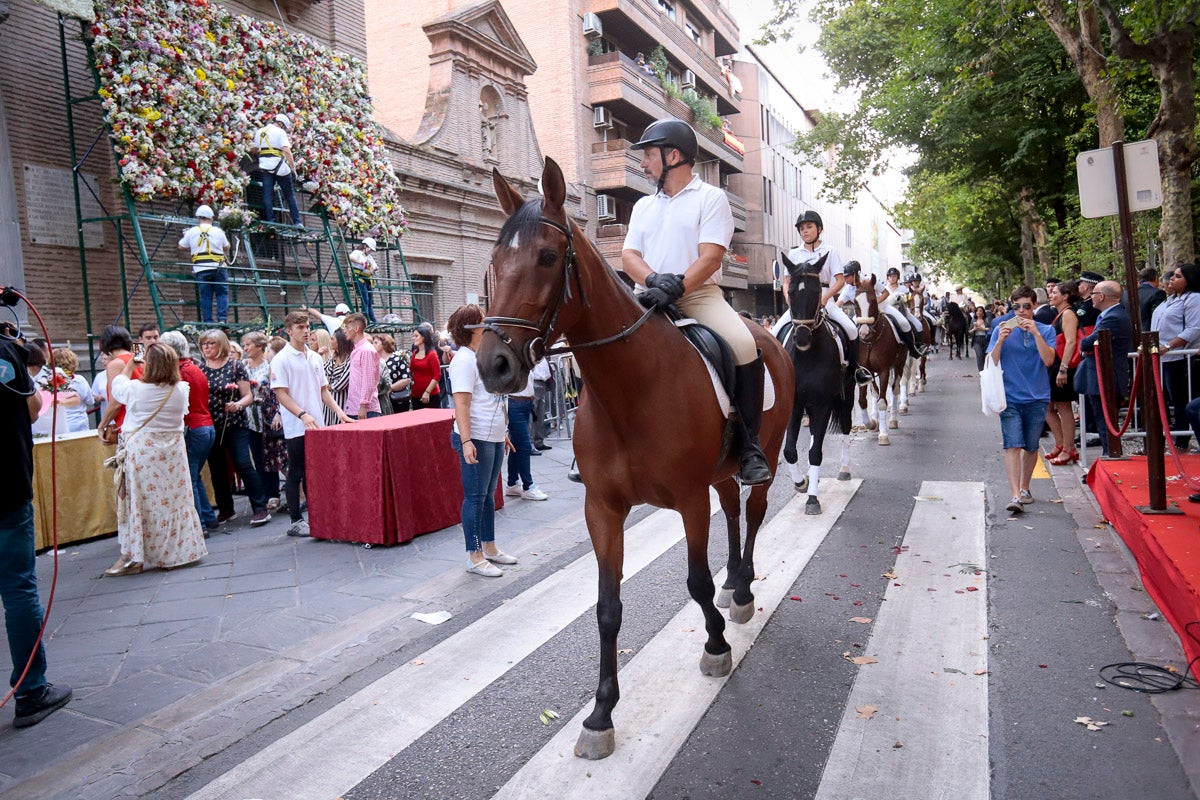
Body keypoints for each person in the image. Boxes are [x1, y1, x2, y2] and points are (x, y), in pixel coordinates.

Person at [625, 117, 770, 484]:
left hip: (698, 296)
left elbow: (710, 256)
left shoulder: (711, 198)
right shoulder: (643, 206)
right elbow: (629, 257)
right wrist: (654, 279)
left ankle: (750, 445)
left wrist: (676, 287)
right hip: (647, 296)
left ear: (673, 156)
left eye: (649, 155)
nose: (643, 164)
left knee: (742, 345)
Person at [0, 327, 73, 728]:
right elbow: (31, 409)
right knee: (18, 589)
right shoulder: (7, 353)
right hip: (7, 491)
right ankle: (31, 691)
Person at [106, 343, 208, 575]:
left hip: (144, 452)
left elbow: (117, 387)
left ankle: (135, 555)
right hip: (173, 452)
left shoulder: (135, 389)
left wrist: (131, 363)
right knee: (175, 500)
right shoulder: (181, 389)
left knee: (143, 502)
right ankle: (179, 551)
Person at [270, 311, 353, 537]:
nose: (306, 331)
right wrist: (302, 414)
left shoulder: (315, 357)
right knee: (296, 471)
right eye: (300, 328)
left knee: (316, 472)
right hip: (297, 426)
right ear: (288, 330)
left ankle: (319, 515)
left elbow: (324, 390)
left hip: (319, 423)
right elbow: (281, 394)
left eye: (307, 327)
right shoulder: (281, 359)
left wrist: (340, 413)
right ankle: (296, 520)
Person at [447, 304, 516, 577]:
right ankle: (474, 555)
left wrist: (504, 433)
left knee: (488, 496)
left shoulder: (481, 356)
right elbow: (461, 404)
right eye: (483, 322)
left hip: (494, 436)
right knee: (475, 497)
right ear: (472, 328)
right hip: (475, 436)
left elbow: (493, 399)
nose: (489, 325)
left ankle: (489, 547)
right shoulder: (463, 360)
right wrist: (466, 441)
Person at [986, 286, 1056, 514]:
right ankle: (1015, 494)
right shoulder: (1001, 328)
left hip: (1037, 396)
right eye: (1016, 307)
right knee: (1012, 444)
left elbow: (1048, 360)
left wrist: (1036, 333)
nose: (1022, 311)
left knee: (1031, 445)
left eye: (1026, 306)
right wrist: (1000, 341)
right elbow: (991, 362)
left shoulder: (1046, 330)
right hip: (1009, 397)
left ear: (1034, 306)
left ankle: (1025, 488)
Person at [197, 329, 271, 526]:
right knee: (217, 467)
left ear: (220, 344)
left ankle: (260, 507)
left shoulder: (235, 366)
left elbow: (247, 395)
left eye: (210, 343)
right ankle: (226, 509)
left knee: (243, 462)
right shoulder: (200, 369)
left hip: (235, 422)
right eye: (203, 344)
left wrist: (238, 404)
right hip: (211, 424)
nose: (206, 348)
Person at [159, 331, 218, 533]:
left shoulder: (180, 372)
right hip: (206, 426)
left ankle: (199, 525)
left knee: (189, 478)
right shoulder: (194, 368)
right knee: (195, 476)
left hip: (193, 427)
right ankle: (208, 517)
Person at [1074, 281, 1133, 458]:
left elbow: (1088, 341)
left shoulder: (1113, 317)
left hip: (1108, 376)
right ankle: (1109, 454)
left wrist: (1086, 344)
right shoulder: (1109, 315)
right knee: (1102, 420)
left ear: (1101, 296)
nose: (1090, 297)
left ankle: (1111, 455)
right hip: (1099, 375)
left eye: (1094, 294)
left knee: (1105, 420)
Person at [1151, 263, 1200, 448]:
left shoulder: (1194, 298)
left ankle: (1182, 440)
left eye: (1178, 276)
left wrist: (1169, 345)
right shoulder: (1170, 299)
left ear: (1190, 280)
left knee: (1179, 399)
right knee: (1163, 398)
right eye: (1173, 276)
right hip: (1163, 357)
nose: (1172, 279)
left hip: (1179, 357)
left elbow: (1194, 329)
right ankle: (1165, 438)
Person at [242, 331, 281, 510]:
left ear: (259, 346)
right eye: (244, 345)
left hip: (267, 417)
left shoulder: (269, 367)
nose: (245, 348)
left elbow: (277, 391)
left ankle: (273, 493)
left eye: (248, 344)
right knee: (257, 457)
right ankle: (263, 493)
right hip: (250, 418)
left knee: (270, 456)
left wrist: (277, 412)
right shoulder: (243, 367)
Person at [1044, 280, 1082, 465]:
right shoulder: (1059, 314)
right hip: (1055, 365)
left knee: (1064, 407)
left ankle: (1069, 448)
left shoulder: (1067, 314)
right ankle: (1061, 444)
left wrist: (1063, 368)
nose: (1050, 295)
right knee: (1050, 406)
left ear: (1065, 296)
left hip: (1062, 365)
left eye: (1054, 292)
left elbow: (1071, 342)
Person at [178, 205, 231, 324]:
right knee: (222, 293)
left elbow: (181, 246)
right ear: (211, 218)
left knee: (206, 296)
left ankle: (208, 321)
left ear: (198, 218)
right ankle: (222, 319)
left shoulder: (192, 231)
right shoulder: (218, 231)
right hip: (218, 267)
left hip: (200, 267)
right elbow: (227, 246)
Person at [504, 369, 549, 501]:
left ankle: (512, 483)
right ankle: (528, 486)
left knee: (517, 445)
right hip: (514, 403)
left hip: (524, 403)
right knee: (524, 446)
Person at [252, 112, 302, 227]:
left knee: (267, 195)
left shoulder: (260, 132)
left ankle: (270, 221)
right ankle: (297, 221)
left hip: (264, 166)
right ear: (281, 124)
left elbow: (255, 149)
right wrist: (293, 168)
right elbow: (286, 150)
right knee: (289, 195)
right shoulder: (280, 132)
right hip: (280, 167)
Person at [879, 267, 928, 360]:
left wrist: (903, 299)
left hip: (903, 311)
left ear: (898, 277)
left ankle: (917, 346)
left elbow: (909, 300)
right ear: (887, 278)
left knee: (918, 325)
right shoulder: (884, 288)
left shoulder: (903, 288)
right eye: (890, 276)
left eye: (894, 276)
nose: (892, 278)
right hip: (888, 311)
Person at [342, 313, 381, 419]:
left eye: (347, 327)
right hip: (355, 407)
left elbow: (368, 380)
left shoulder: (366, 350)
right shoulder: (358, 349)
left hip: (365, 410)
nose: (345, 331)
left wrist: (363, 405)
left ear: (356, 328)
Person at [48, 348, 93, 433]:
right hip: (80, 424)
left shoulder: (49, 381)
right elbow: (90, 401)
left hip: (59, 425)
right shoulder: (80, 380)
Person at [373, 333, 411, 413]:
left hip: (396, 398)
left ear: (384, 344)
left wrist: (390, 388)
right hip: (379, 399)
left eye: (376, 343)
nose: (373, 345)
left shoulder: (397, 359)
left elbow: (406, 379)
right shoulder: (374, 360)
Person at [323, 328, 353, 426]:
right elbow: (321, 374)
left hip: (342, 402)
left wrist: (328, 386)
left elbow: (341, 384)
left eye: (332, 339)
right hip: (327, 405)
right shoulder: (332, 358)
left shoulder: (350, 360)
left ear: (340, 342)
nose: (330, 341)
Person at [410, 322, 443, 410]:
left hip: (431, 394)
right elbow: (412, 371)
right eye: (413, 336)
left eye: (416, 336)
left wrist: (427, 392)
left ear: (424, 337)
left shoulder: (432, 354)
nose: (414, 338)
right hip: (416, 393)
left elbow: (437, 375)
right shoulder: (414, 353)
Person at [349, 238, 379, 323]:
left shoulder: (369, 256)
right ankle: (366, 320)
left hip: (368, 279)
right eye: (370, 249)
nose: (370, 251)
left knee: (369, 301)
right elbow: (351, 257)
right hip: (360, 278)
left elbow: (375, 266)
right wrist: (361, 263)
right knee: (365, 299)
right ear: (365, 246)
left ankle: (373, 320)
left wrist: (373, 268)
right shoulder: (357, 253)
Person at [530, 357, 552, 450]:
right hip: (534, 381)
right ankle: (531, 443)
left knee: (540, 414)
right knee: (532, 415)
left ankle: (538, 441)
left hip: (542, 383)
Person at [1137, 267, 1166, 332]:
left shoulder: (1126, 294)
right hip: (1150, 334)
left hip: (1131, 335)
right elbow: (1160, 317)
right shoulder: (1157, 293)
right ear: (1156, 279)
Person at [969, 306, 990, 372]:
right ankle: (981, 371)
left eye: (980, 311)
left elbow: (990, 329)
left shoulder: (986, 320)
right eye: (977, 311)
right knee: (979, 355)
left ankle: (985, 371)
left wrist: (983, 329)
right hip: (977, 339)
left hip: (985, 339)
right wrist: (974, 329)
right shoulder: (973, 320)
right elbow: (969, 331)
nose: (978, 312)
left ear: (983, 312)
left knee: (985, 356)